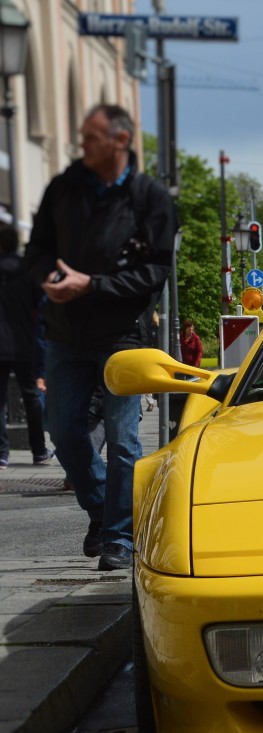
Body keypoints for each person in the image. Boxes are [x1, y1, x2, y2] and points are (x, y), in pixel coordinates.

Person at [22, 104, 176, 571]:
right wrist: (49, 278)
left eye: (91, 137)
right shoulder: (64, 188)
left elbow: (156, 271)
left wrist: (93, 285)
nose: (81, 144)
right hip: (66, 333)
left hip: (122, 335)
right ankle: (101, 510)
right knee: (63, 429)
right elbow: (39, 250)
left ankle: (119, 539)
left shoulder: (150, 198)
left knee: (123, 437)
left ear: (121, 141)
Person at [0, 225, 53, 469]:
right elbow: (41, 308)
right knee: (31, 397)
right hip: (24, 342)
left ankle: (2, 453)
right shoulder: (28, 272)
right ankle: (38, 450)